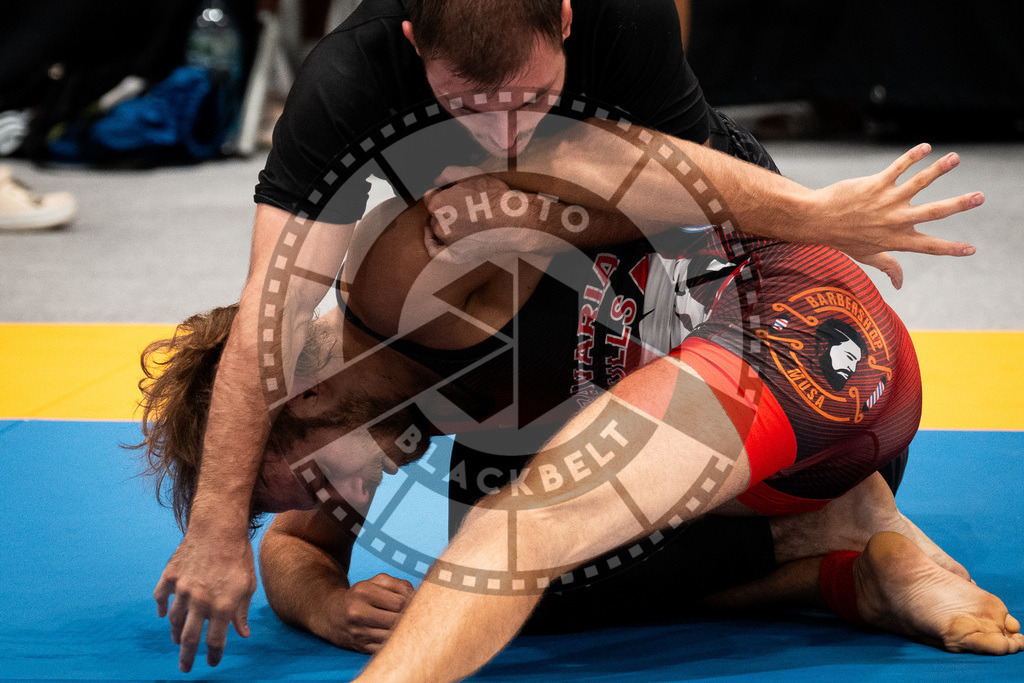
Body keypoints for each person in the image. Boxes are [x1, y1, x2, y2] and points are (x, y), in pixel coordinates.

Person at [155, 0, 984, 673]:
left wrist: (813, 213)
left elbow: (587, 177)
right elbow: (294, 550)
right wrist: (309, 589)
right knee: (532, 579)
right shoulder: (390, 407)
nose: (343, 509)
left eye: (310, 485)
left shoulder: (396, 287)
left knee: (516, 533)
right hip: (795, 448)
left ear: (307, 395)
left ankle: (834, 526)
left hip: (795, 332)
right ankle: (846, 567)